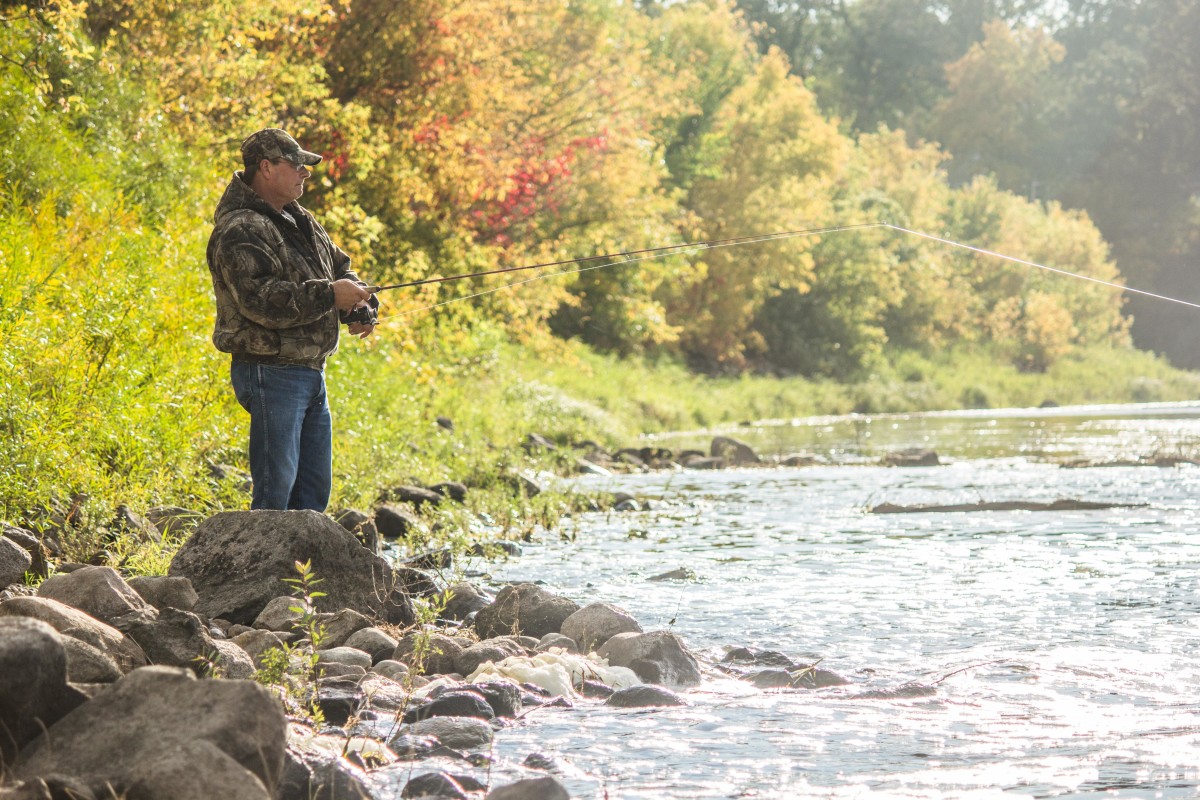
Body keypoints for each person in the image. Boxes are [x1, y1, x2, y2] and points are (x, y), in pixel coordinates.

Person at [206, 128, 378, 512]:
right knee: (275, 497)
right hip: (271, 372)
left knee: (312, 495)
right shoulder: (241, 228)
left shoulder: (301, 220)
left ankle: (300, 573)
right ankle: (259, 571)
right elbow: (258, 300)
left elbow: (341, 268)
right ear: (266, 167)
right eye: (297, 165)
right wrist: (330, 295)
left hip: (310, 373)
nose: (306, 173)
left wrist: (360, 306)